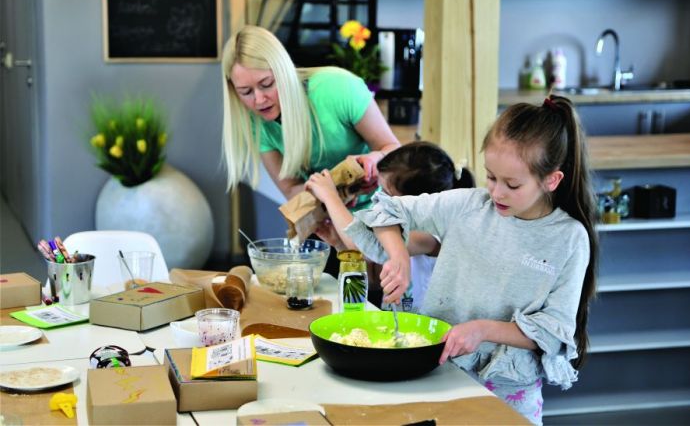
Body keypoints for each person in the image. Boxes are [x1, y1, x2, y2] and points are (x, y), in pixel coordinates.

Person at [344, 95, 598, 424]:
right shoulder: (467, 206)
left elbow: (553, 331)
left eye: (512, 184)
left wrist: (483, 330)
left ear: (551, 180)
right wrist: (398, 255)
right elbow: (384, 209)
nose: (496, 193)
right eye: (491, 177)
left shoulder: (569, 238)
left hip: (511, 392)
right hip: (441, 373)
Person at [221, 25, 400, 202]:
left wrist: (376, 159)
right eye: (245, 92)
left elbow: (393, 150)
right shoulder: (256, 122)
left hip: (382, 208)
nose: (259, 100)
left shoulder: (339, 89)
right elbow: (291, 191)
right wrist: (336, 191)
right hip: (327, 219)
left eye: (267, 84)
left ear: (284, 72)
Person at [305, 141, 474, 313]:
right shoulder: (393, 231)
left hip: (420, 330)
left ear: (416, 202)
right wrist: (339, 244)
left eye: (386, 193)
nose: (378, 201)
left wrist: (330, 196)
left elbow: (367, 245)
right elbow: (374, 281)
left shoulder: (430, 235)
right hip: (393, 322)